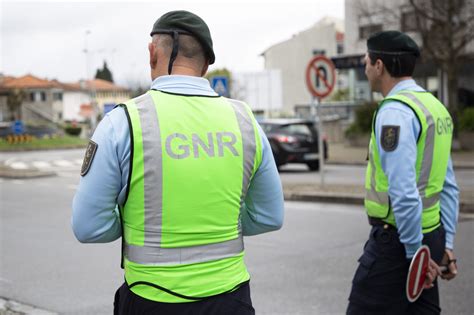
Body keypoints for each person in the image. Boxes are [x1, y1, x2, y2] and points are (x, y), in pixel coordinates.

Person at [72, 10, 284, 315]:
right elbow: (270, 217)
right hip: (231, 300)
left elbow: (88, 227)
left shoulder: (123, 122)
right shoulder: (245, 120)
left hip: (152, 300)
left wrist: (136, 223)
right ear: (207, 64)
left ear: (152, 53)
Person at [346, 31, 459, 314]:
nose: (365, 65)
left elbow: (403, 191)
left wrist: (414, 256)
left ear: (379, 65)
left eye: (367, 60)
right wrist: (446, 244)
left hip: (398, 242)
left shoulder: (395, 112)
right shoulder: (436, 108)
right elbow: (448, 187)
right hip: (430, 235)